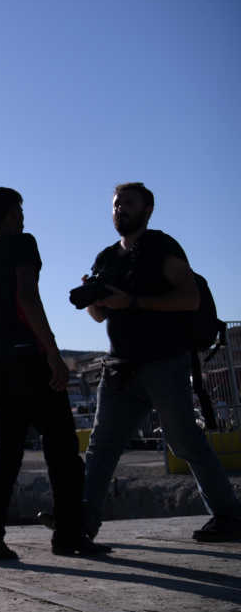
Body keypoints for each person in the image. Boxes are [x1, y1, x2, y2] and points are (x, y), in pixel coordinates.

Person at [81, 182, 241, 542]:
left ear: (147, 210)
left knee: (185, 442)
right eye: (116, 204)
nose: (120, 210)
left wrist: (133, 302)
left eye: (128, 204)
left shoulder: (161, 247)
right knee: (101, 447)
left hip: (163, 364)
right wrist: (93, 297)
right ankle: (82, 525)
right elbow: (97, 317)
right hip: (120, 367)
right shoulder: (107, 258)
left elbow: (189, 298)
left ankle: (228, 516)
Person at [0, 188, 109, 560]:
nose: (23, 216)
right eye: (20, 210)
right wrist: (53, 354)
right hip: (30, 359)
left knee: (5, 454)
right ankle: (68, 536)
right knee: (61, 450)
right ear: (12, 214)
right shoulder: (24, 244)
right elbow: (27, 298)